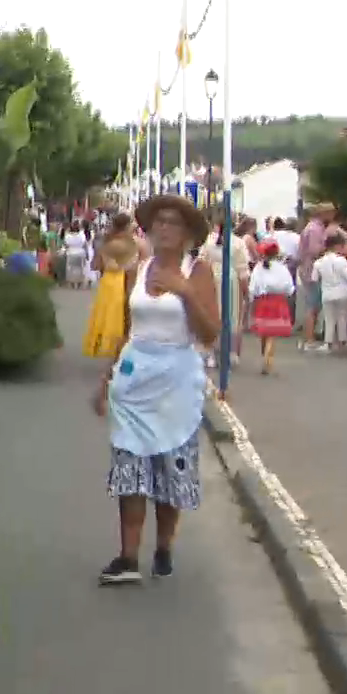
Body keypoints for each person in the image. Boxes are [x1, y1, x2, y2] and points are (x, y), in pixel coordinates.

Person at [91, 194, 218, 585]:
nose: (164, 228)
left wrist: (184, 291)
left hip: (176, 380)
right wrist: (108, 377)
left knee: (168, 470)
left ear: (187, 234)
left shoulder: (198, 272)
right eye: (159, 222)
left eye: (173, 223)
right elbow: (129, 330)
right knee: (130, 468)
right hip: (134, 377)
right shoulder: (138, 269)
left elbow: (210, 333)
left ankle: (163, 545)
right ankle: (128, 557)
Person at [83, 213, 140, 359]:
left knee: (108, 315)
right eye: (131, 224)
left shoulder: (108, 241)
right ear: (126, 226)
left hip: (108, 281)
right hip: (117, 280)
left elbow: (97, 264)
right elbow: (115, 265)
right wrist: (131, 264)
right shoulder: (125, 243)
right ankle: (117, 349)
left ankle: (113, 348)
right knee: (117, 316)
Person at [201, 219, 250, 368]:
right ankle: (229, 352)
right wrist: (246, 291)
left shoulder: (208, 241)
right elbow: (242, 269)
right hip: (231, 279)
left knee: (212, 314)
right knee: (232, 316)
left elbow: (202, 261)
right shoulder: (238, 243)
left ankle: (210, 353)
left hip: (211, 278)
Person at [249, 239, 296, 375]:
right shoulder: (282, 268)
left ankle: (265, 354)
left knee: (264, 331)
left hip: (263, 301)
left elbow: (254, 286)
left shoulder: (259, 267)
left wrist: (252, 298)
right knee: (272, 333)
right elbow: (289, 287)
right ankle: (268, 358)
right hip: (279, 301)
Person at [294, 203, 335, 351]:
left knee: (313, 305)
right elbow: (314, 250)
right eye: (331, 213)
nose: (332, 217)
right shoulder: (315, 229)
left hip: (308, 270)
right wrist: (330, 248)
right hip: (312, 271)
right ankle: (309, 339)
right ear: (324, 213)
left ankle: (309, 338)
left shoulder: (312, 227)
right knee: (313, 306)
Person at [311, 231, 347, 351]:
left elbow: (314, 279)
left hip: (327, 293)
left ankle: (328, 343)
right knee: (342, 317)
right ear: (337, 246)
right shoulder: (341, 261)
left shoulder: (318, 262)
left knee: (329, 318)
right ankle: (343, 341)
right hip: (343, 292)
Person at [62, 220, 90, 289]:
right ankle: (79, 283)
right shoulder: (81, 234)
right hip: (80, 253)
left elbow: (65, 245)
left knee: (70, 269)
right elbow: (84, 244)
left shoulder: (67, 235)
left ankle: (72, 283)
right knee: (80, 268)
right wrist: (87, 254)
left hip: (71, 253)